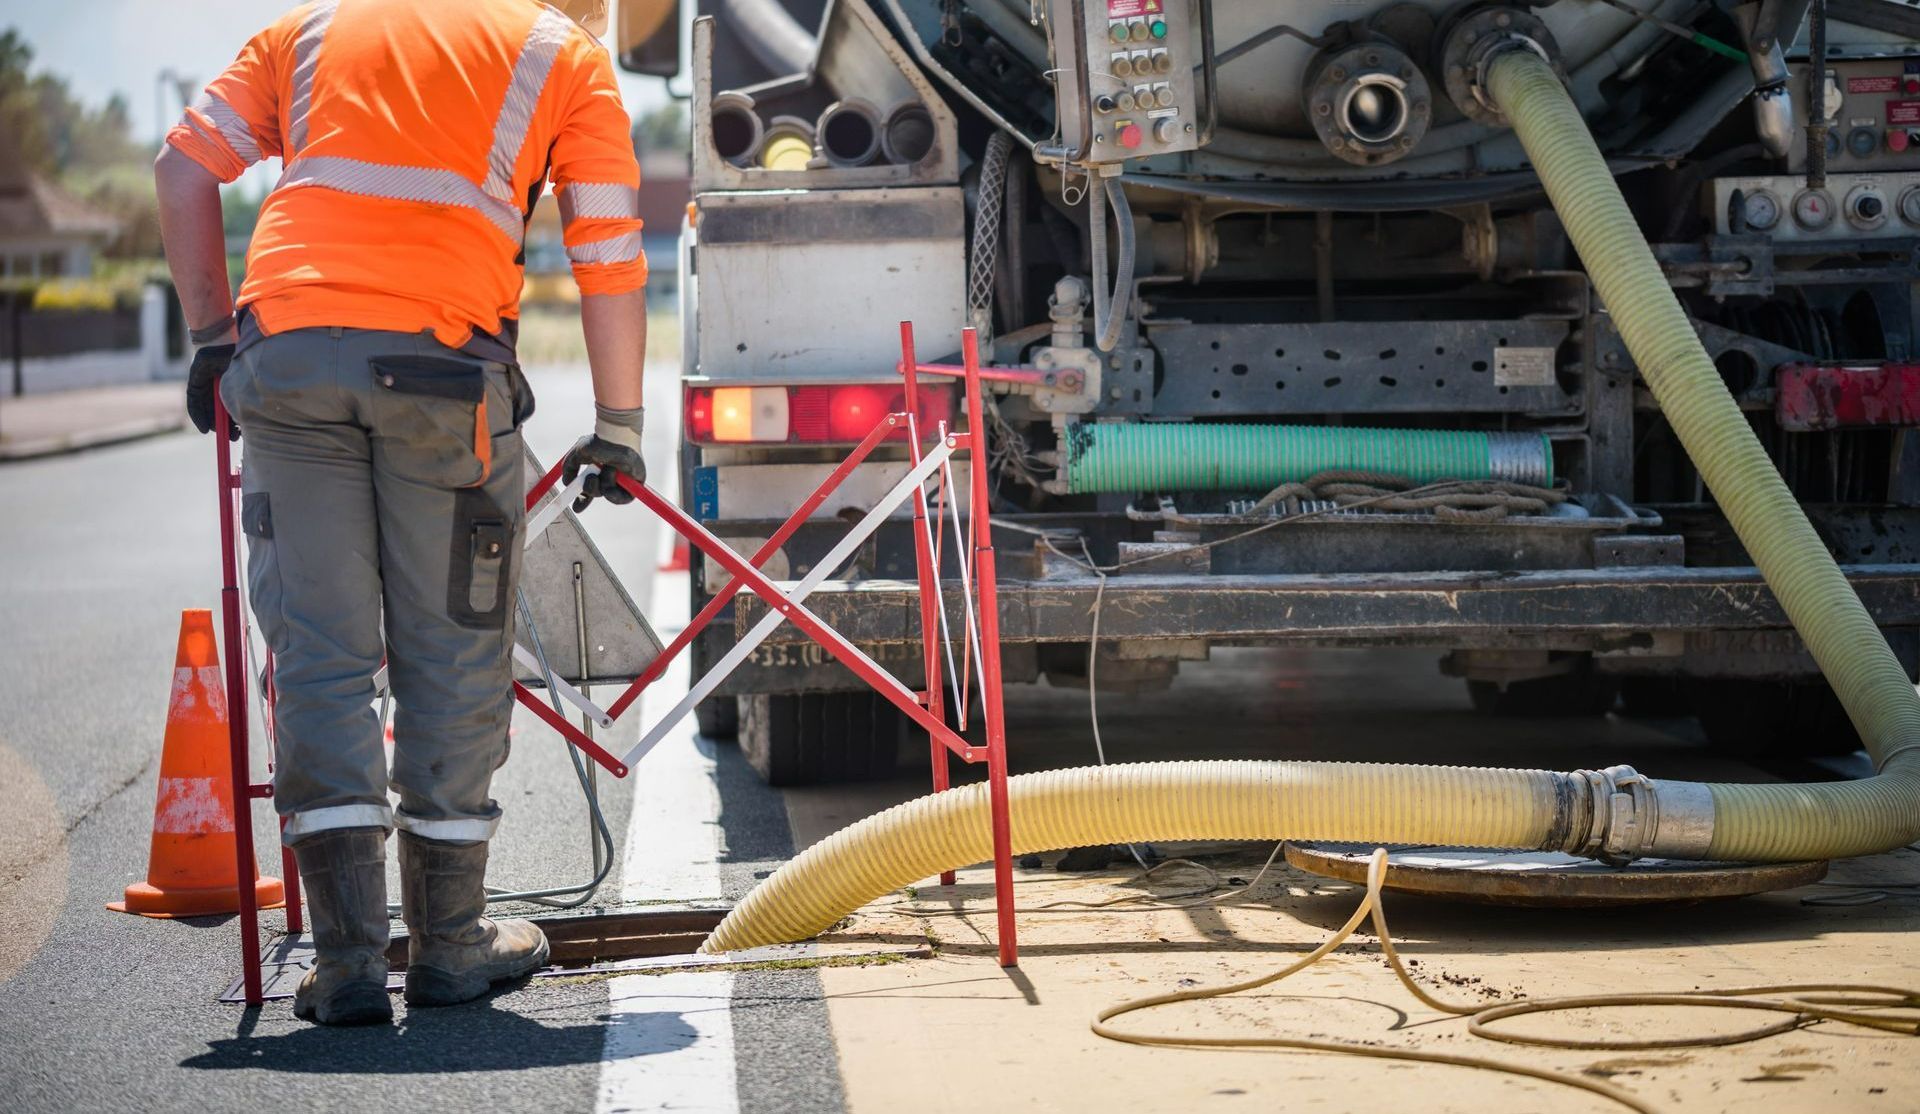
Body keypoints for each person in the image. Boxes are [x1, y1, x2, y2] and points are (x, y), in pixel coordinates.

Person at [153, 0, 649, 1026]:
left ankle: (341, 963)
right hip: (439, 378)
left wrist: (210, 335)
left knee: (321, 656)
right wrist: (620, 422)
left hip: (283, 364)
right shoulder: (565, 54)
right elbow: (607, 252)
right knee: (452, 654)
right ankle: (451, 943)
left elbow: (182, 168)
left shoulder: (314, 29)